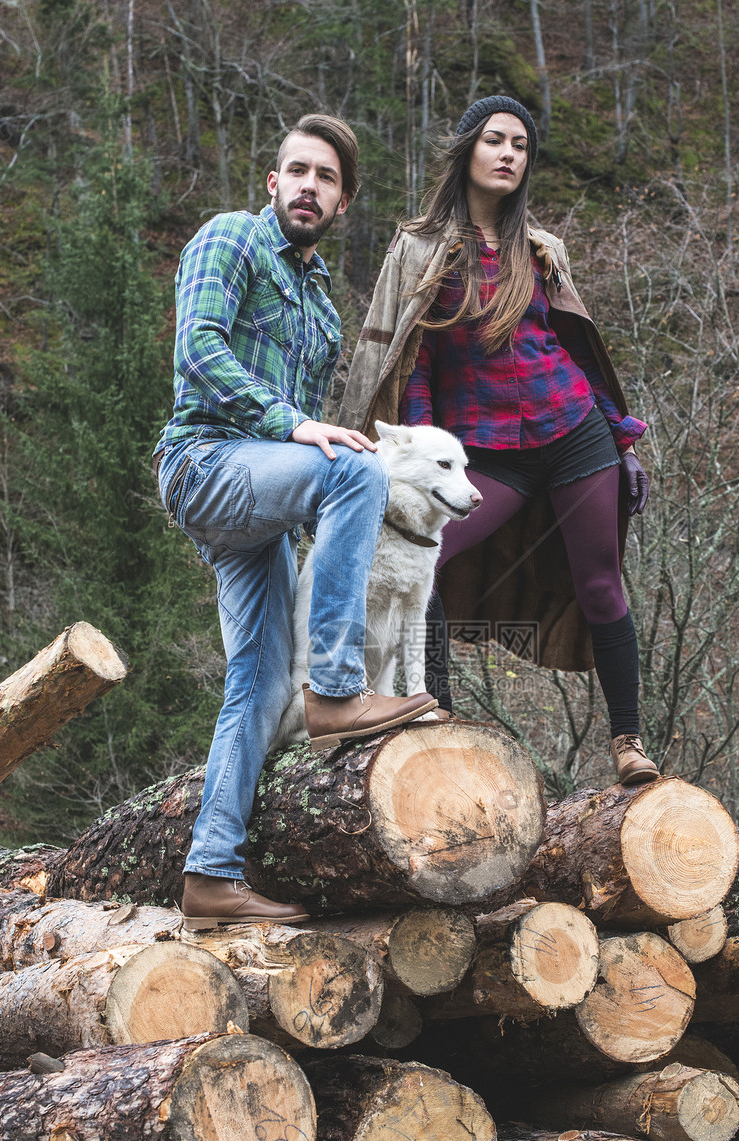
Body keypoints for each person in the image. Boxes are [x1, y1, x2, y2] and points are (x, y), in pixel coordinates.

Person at [154, 114, 436, 930]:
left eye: (327, 177)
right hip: (204, 461)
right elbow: (199, 352)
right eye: (298, 170)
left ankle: (210, 873)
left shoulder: (322, 309)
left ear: (342, 202)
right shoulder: (231, 240)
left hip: (258, 501)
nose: (310, 185)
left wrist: (302, 443)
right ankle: (339, 690)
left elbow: (310, 448)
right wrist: (290, 424)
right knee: (354, 469)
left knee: (257, 677)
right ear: (273, 182)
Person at [340, 95, 658, 787]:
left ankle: (628, 741)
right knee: (418, 563)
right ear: (467, 150)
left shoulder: (542, 250)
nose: (510, 153)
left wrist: (622, 441)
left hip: (574, 432)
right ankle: (436, 719)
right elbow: (408, 361)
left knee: (601, 583)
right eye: (495, 140)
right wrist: (418, 458)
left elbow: (572, 347)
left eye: (521, 145)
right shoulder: (422, 248)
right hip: (484, 452)